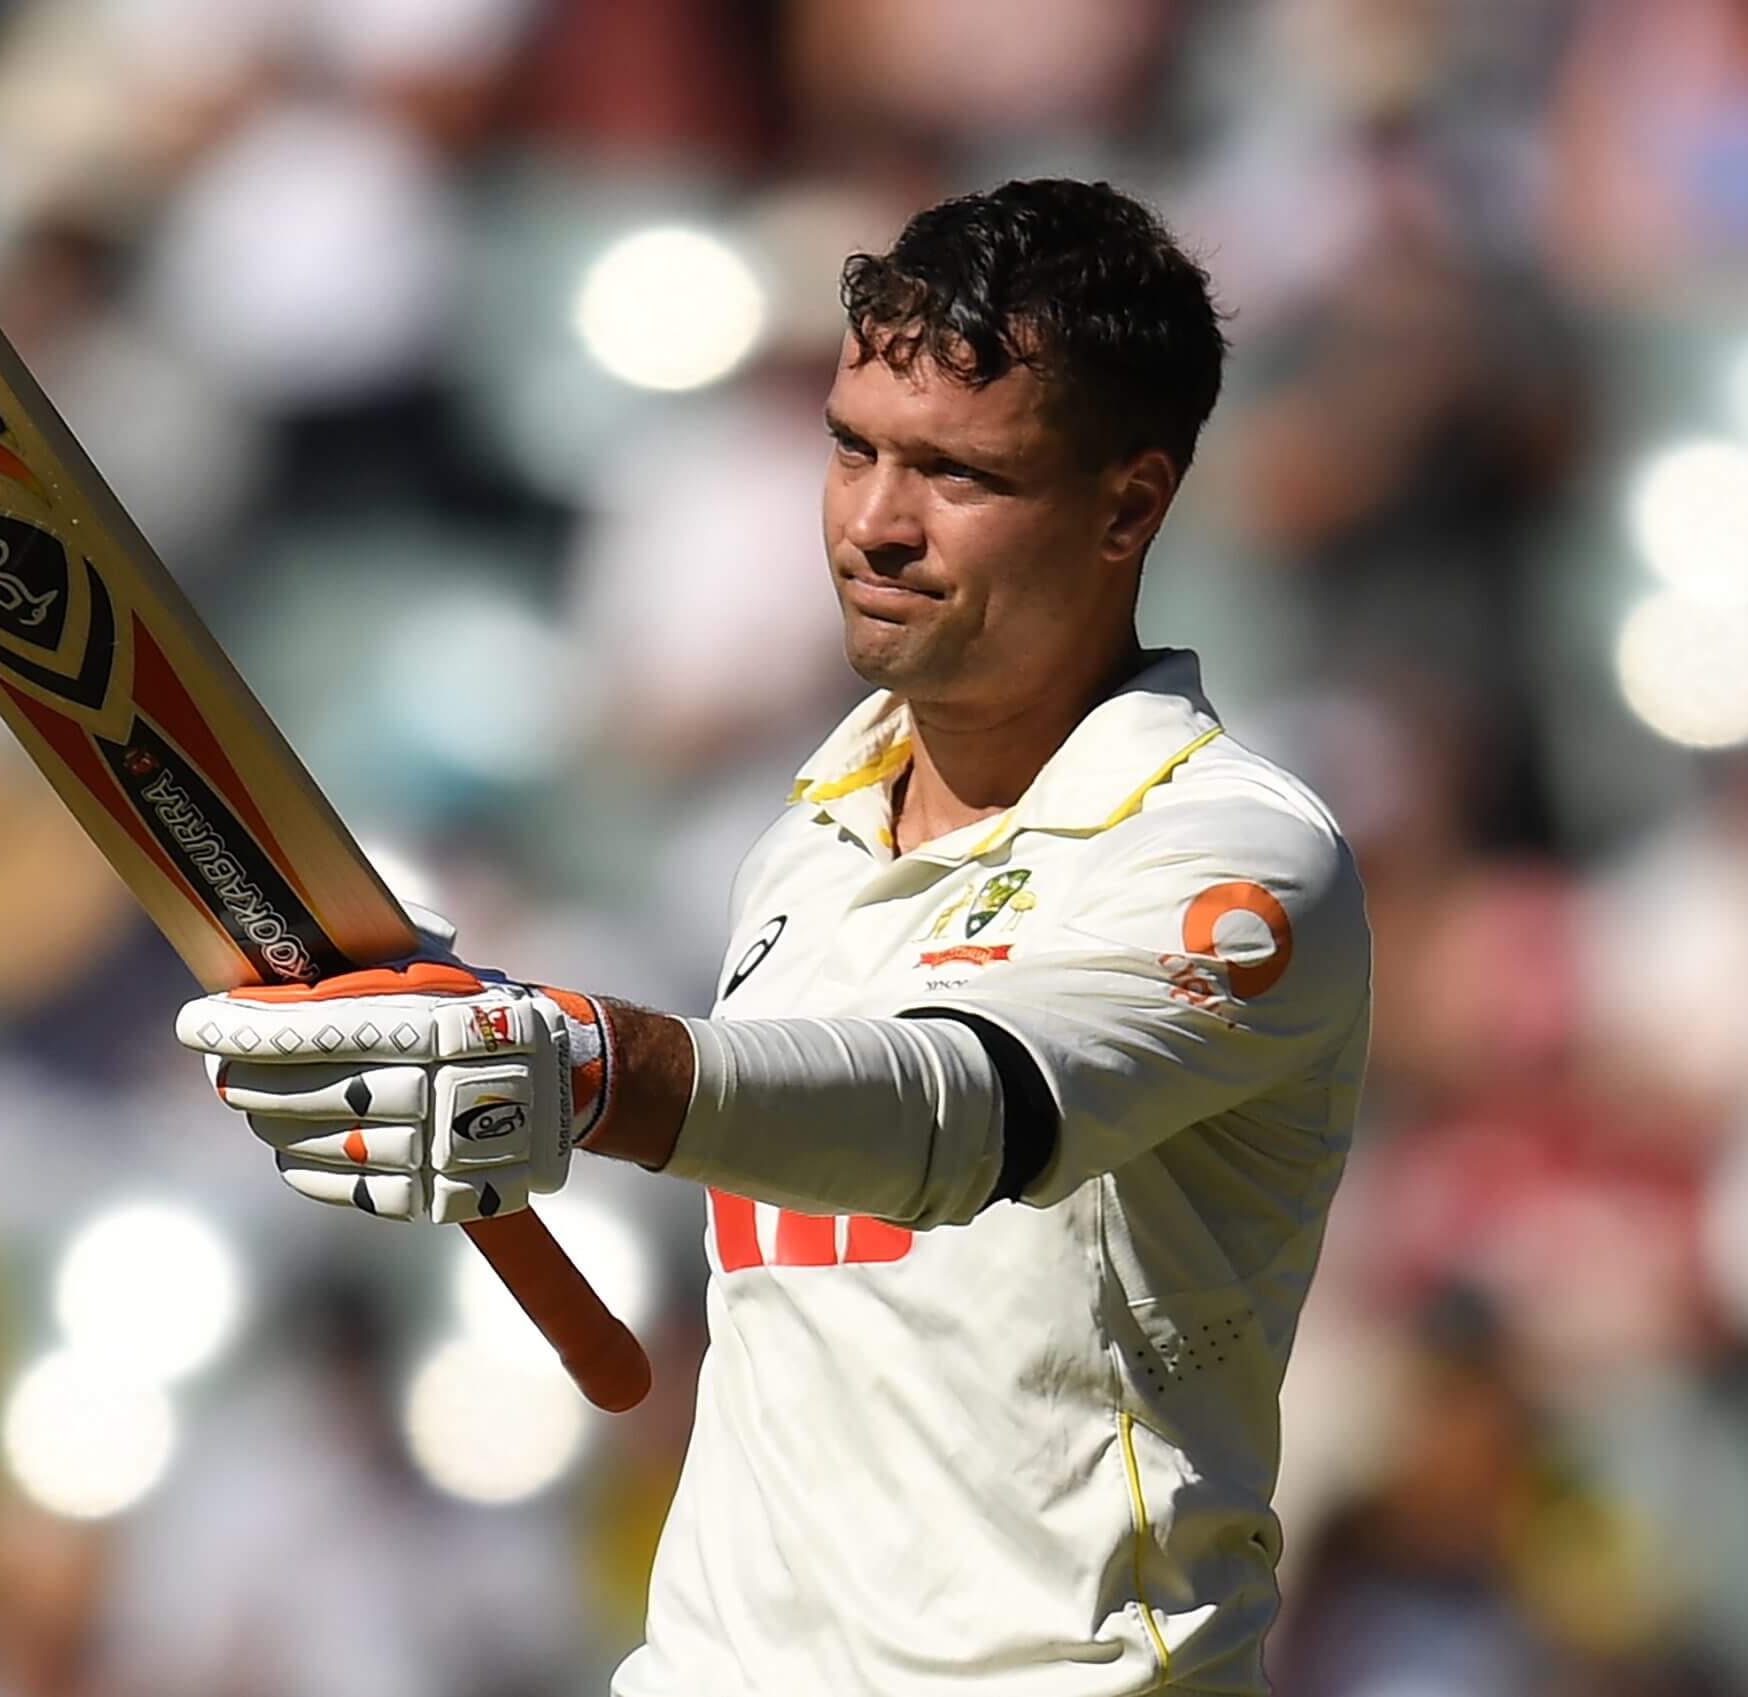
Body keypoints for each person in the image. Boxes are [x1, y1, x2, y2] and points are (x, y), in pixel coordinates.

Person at [176, 178, 1373, 1696]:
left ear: (1129, 506)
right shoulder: (806, 833)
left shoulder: (1235, 856)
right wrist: (462, 1029)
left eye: (958, 472)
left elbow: (956, 1113)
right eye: (853, 447)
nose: (876, 523)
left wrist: (589, 1068)